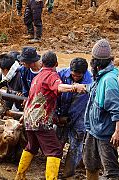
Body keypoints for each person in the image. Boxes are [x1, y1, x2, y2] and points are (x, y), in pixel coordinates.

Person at [15, 51, 86, 180]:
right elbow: (59, 87)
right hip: (41, 120)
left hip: (29, 118)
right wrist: (74, 88)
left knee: (32, 147)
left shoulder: (37, 76)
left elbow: (30, 98)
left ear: (42, 63)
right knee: (55, 151)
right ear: (56, 64)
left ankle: (20, 176)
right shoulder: (52, 75)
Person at [83, 39, 119, 179]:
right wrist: (81, 88)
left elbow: (117, 108)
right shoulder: (100, 76)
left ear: (96, 62)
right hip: (94, 129)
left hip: (105, 134)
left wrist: (118, 131)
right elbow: (95, 91)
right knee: (90, 163)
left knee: (111, 171)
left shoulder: (109, 80)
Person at [56, 58, 92, 178]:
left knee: (76, 144)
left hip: (80, 115)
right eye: (73, 75)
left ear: (84, 73)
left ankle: (68, 173)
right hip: (62, 111)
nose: (75, 78)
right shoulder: (61, 74)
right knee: (58, 140)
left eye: (78, 76)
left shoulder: (89, 81)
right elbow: (55, 94)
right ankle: (53, 169)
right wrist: (57, 115)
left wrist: (68, 119)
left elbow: (80, 105)